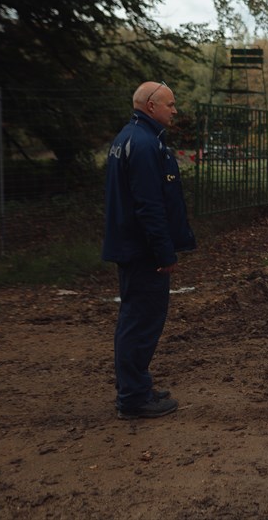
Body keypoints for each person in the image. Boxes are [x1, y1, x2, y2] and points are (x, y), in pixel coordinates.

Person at [102, 81, 196, 419]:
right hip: (142, 252)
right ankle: (134, 398)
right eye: (170, 105)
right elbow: (149, 205)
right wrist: (164, 252)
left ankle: (137, 387)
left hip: (133, 248)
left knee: (137, 319)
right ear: (151, 106)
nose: (174, 111)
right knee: (140, 322)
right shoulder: (143, 144)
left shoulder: (130, 138)